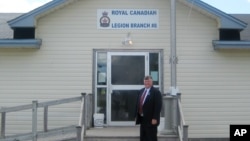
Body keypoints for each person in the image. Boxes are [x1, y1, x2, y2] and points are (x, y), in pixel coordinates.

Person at [135, 75, 162, 141]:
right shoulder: (141, 91)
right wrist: (136, 115)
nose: (146, 83)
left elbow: (158, 106)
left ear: (152, 82)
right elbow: (138, 104)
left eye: (148, 81)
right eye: (145, 81)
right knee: (143, 137)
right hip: (142, 118)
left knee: (151, 137)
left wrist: (155, 118)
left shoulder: (156, 92)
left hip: (151, 119)